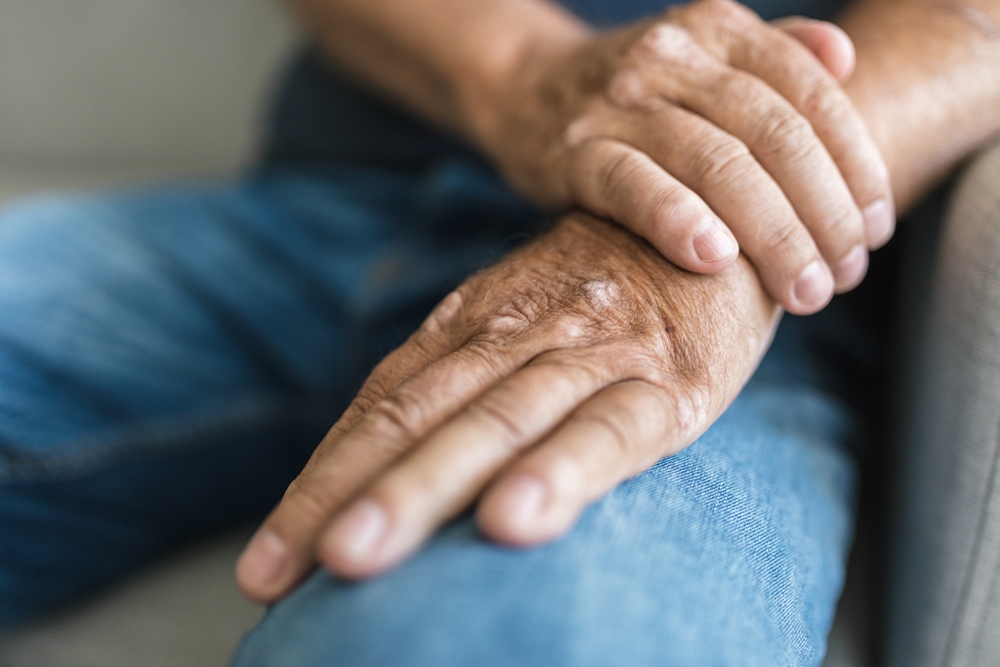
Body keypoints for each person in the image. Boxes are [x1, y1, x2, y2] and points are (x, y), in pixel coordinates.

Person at [1, 0, 998, 663]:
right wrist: (525, 73)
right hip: (323, 203)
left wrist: (711, 219)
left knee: (482, 638)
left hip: (733, 299)